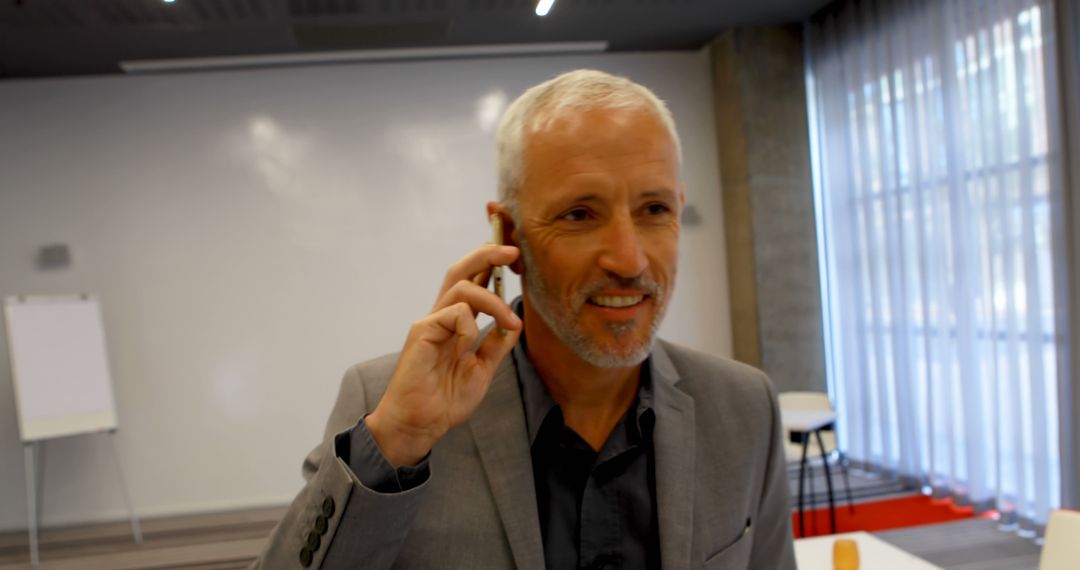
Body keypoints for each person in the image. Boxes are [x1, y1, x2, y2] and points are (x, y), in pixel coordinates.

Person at [253, 69, 795, 570]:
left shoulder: (744, 408)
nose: (629, 259)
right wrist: (394, 444)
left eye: (654, 210)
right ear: (509, 237)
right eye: (579, 214)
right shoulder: (391, 407)